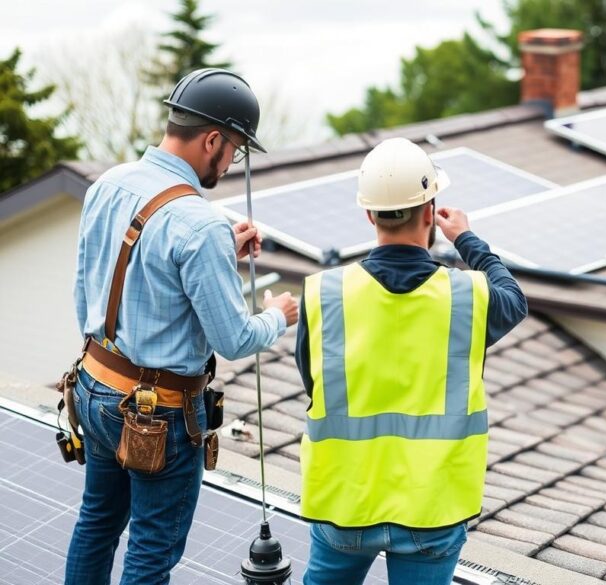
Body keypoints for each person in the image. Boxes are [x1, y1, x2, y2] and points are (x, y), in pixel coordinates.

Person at [65, 68, 299, 585]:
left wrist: (221, 253)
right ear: (212, 139)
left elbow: (91, 288)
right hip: (159, 414)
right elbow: (234, 340)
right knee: (152, 551)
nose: (232, 161)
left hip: (92, 385)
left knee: (96, 526)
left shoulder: (108, 184)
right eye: (234, 149)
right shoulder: (200, 223)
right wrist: (276, 315)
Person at [296, 137, 528, 585]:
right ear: (430, 212)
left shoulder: (324, 294)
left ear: (369, 214)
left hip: (345, 503)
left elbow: (314, 382)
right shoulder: (469, 297)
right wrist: (466, 238)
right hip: (432, 507)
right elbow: (513, 300)